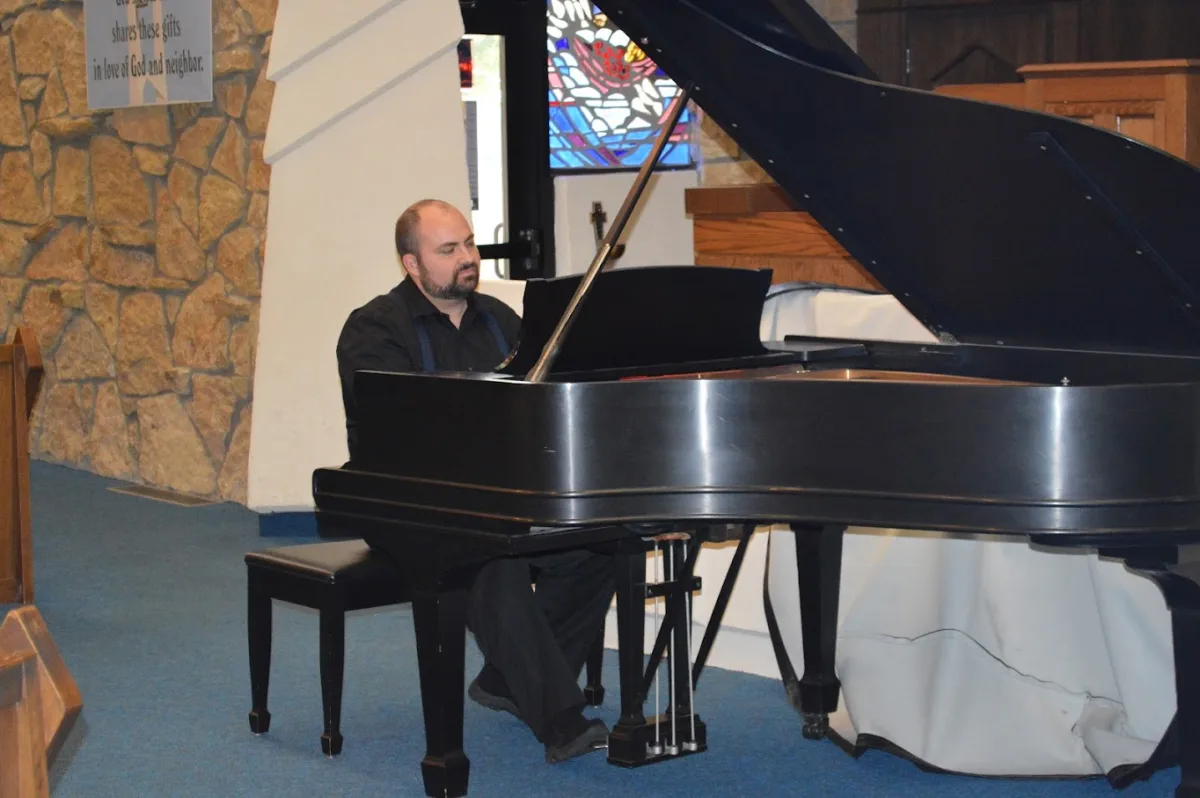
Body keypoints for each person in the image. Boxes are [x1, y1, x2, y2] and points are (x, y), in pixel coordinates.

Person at [336, 199, 614, 763]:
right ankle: (560, 718)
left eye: (468, 243)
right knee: (489, 558)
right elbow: (398, 433)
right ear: (412, 264)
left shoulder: (501, 321)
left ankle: (508, 679)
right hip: (404, 500)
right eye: (448, 249)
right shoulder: (375, 329)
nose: (467, 257)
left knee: (598, 549)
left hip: (498, 493)